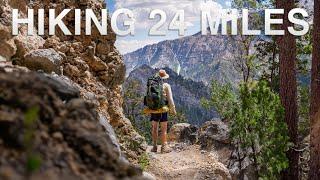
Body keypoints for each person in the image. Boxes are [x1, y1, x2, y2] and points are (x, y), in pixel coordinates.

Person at [150, 69, 176, 153]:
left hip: (153, 109)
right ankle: (164, 147)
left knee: (154, 128)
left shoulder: (152, 85)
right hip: (163, 109)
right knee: (164, 129)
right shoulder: (166, 85)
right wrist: (173, 109)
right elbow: (170, 99)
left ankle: (154, 146)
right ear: (164, 77)